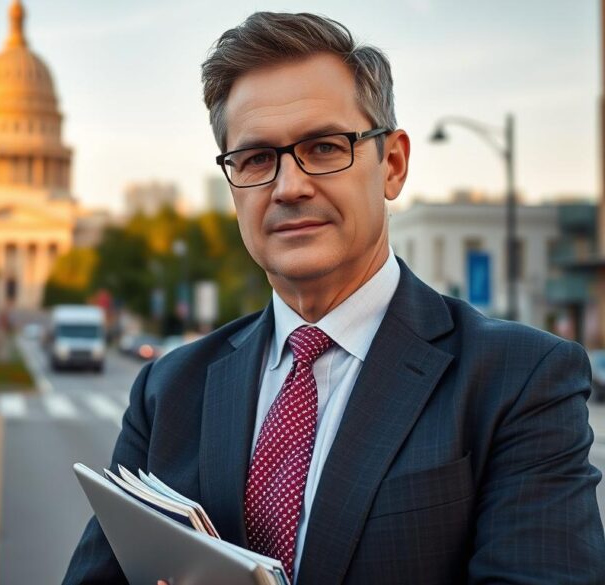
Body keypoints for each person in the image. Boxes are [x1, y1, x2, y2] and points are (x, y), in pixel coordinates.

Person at [64, 11, 605, 585]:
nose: (290, 186)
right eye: (256, 159)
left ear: (392, 165)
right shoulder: (168, 390)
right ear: (233, 187)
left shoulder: (519, 380)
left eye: (324, 147)